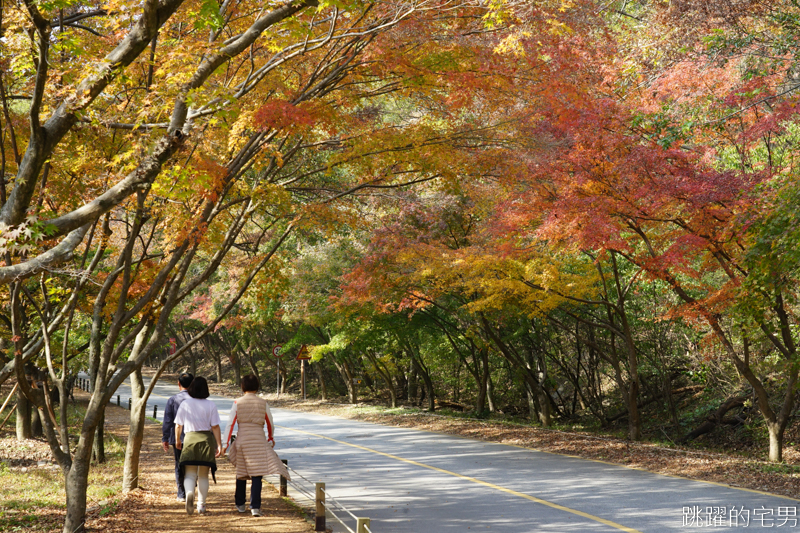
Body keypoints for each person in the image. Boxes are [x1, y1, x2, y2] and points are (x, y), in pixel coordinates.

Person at [224, 374, 290, 517]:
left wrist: (224, 444)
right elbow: (270, 423)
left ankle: (240, 504)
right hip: (259, 441)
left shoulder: (237, 403)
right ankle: (255, 507)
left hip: (242, 442)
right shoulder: (263, 403)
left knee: (241, 474)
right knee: (257, 475)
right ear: (257, 387)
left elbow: (230, 424)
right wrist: (271, 438)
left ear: (242, 387)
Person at [175, 376, 222, 515]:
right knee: (203, 475)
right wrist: (219, 444)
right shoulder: (211, 405)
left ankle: (189, 493)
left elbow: (178, 425)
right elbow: (215, 427)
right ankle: (201, 505)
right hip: (206, 440)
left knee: (189, 473)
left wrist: (178, 440)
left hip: (189, 439)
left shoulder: (185, 404)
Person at [162, 372, 193, 501]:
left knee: (179, 464)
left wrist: (165, 438)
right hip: (194, 437)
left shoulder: (173, 400)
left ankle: (181, 493)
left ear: (178, 383)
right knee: (192, 464)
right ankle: (191, 487)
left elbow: (168, 421)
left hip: (178, 437)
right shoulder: (197, 400)